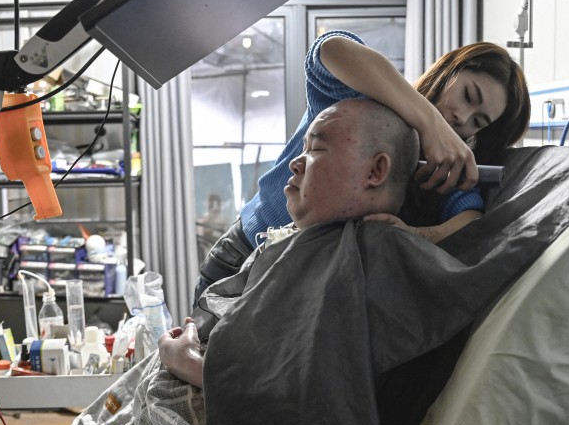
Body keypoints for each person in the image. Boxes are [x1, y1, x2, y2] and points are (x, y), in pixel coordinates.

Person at [193, 29, 530, 306]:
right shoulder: (364, 96)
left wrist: (413, 235)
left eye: (478, 122)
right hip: (244, 253)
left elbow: (469, 222)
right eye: (468, 96)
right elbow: (331, 48)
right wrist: (429, 122)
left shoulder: (438, 170)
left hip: (292, 286)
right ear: (447, 72)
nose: (462, 119)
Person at [166, 96, 420, 388]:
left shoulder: (361, 269)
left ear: (375, 171)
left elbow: (298, 401)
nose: (295, 163)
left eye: (317, 149)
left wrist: (188, 364)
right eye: (303, 149)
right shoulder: (306, 245)